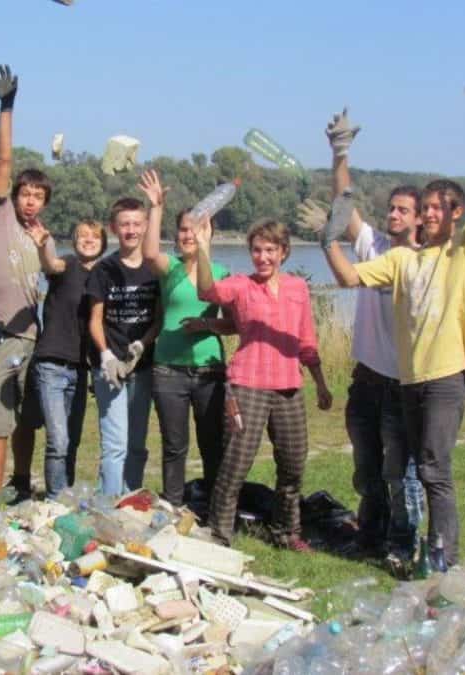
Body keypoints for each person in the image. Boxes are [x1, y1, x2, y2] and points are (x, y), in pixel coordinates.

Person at [322, 98, 465, 566]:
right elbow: (351, 278)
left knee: (432, 470)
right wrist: (326, 241)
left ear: (451, 214)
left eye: (437, 208)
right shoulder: (399, 258)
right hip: (405, 381)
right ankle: (406, 543)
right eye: (429, 206)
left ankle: (441, 555)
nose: (431, 213)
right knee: (400, 470)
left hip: (445, 376)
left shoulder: (462, 249)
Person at [302, 108, 425, 568]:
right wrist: (340, 152)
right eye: (391, 208)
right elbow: (344, 203)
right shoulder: (373, 243)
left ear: (418, 220)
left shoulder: (418, 260)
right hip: (367, 377)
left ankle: (403, 544)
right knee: (366, 469)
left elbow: (352, 272)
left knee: (401, 474)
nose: (393, 215)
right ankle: (370, 537)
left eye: (402, 210)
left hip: (403, 382)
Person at [196, 217, 333, 550]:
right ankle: (220, 534)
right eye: (257, 250)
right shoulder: (241, 285)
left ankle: (286, 532)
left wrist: (321, 384)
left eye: (270, 250)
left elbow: (307, 340)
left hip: (289, 388)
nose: (263, 257)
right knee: (235, 465)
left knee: (293, 464)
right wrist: (202, 248)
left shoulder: (297, 288)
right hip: (246, 386)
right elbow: (207, 290)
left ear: (283, 252)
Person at [139, 170, 234, 507]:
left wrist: (207, 326)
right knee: (174, 445)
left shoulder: (222, 274)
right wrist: (156, 207)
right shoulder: (170, 268)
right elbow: (149, 253)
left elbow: (234, 325)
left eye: (195, 229)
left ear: (208, 233)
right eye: (182, 229)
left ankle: (214, 507)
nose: (188, 235)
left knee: (212, 443)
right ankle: (173, 507)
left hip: (209, 371)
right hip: (169, 370)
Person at [0, 63, 46, 495]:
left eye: (39, 196)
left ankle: (21, 484)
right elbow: (4, 160)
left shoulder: (42, 237)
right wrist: (7, 106)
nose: (30, 201)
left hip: (32, 339)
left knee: (26, 419)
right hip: (0, 336)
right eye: (25, 194)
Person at [85, 197, 162, 497]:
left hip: (142, 366)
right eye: (124, 224)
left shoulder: (154, 268)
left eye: (136, 224)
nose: (130, 230)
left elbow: (158, 317)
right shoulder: (104, 269)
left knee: (137, 444)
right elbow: (95, 320)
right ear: (113, 228)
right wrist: (105, 355)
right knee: (115, 444)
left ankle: (131, 500)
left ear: (145, 226)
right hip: (110, 367)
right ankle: (110, 506)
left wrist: (143, 344)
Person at [25, 219, 106, 498]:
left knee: (72, 441)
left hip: (81, 368)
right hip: (51, 363)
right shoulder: (67, 265)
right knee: (57, 440)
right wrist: (44, 245)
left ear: (103, 243)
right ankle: (55, 499)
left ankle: (66, 494)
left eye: (94, 236)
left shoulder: (104, 275)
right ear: (74, 241)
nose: (88, 240)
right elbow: (49, 264)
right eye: (82, 235)